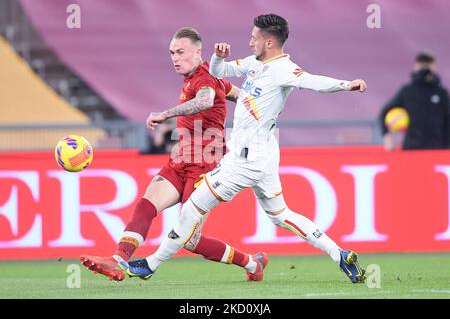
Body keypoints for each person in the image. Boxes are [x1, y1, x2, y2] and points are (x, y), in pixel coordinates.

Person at [123, 14, 367, 284]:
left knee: (191, 209)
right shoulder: (255, 64)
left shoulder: (284, 70)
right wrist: (217, 57)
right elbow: (218, 72)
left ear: (270, 41)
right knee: (281, 214)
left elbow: (313, 81)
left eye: (254, 38)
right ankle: (340, 254)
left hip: (245, 160)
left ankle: (151, 264)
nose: (250, 42)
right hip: (264, 153)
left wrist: (346, 85)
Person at [80, 27, 268, 282]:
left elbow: (205, 100)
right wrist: (255, 106)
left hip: (204, 166)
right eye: (172, 53)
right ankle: (118, 260)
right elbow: (238, 95)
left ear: (198, 52)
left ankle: (251, 263)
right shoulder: (207, 78)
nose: (175, 58)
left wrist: (165, 114)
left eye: (180, 52)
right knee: (146, 206)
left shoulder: (204, 78)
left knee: (191, 240)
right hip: (180, 162)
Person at [380, 52, 450, 151]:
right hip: (412, 149)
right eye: (422, 65)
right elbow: (384, 112)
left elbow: (448, 121)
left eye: (427, 64)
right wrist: (387, 138)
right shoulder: (408, 91)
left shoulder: (441, 93)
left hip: (437, 149)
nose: (425, 68)